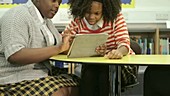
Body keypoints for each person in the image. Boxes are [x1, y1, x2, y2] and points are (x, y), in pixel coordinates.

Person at [0, 0, 80, 96]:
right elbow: (15, 55)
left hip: (40, 72)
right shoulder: (17, 15)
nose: (57, 6)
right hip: (13, 78)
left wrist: (69, 43)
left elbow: (60, 46)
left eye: (59, 2)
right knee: (58, 92)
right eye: (53, 1)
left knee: (81, 84)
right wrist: (58, 48)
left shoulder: (46, 21)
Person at [62, 0, 134, 96]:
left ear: (105, 10)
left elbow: (124, 44)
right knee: (88, 76)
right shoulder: (78, 21)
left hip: (116, 67)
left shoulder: (115, 18)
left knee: (104, 76)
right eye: (87, 12)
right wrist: (68, 41)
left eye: (97, 13)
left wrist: (117, 52)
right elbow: (64, 41)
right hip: (91, 66)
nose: (91, 17)